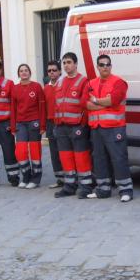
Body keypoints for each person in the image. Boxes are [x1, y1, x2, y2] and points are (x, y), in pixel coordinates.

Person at [85, 54, 133, 202]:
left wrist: (96, 101)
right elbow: (85, 103)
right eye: (101, 64)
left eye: (107, 64)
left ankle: (126, 190)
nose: (105, 67)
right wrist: (103, 102)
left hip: (114, 128)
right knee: (99, 159)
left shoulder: (119, 82)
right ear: (97, 67)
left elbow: (114, 100)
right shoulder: (91, 83)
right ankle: (102, 190)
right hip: (96, 128)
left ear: (111, 66)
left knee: (118, 158)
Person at [53, 52, 93, 199]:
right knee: (66, 157)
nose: (66, 65)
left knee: (81, 157)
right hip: (61, 126)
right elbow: (56, 105)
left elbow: (86, 105)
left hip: (77, 126)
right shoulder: (59, 82)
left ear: (76, 64)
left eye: (69, 62)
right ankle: (69, 186)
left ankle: (86, 186)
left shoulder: (84, 81)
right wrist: (56, 125)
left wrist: (82, 125)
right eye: (64, 63)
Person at [10, 63, 46, 189]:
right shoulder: (14, 88)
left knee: (35, 151)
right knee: (21, 151)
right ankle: (25, 176)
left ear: (30, 73)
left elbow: (42, 107)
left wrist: (42, 125)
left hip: (34, 122)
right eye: (21, 71)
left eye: (26, 70)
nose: (24, 72)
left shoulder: (36, 87)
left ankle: (36, 178)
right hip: (20, 123)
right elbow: (13, 108)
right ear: (18, 74)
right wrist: (13, 126)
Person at [43, 60, 64, 188]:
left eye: (54, 70)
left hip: (62, 122)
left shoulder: (64, 85)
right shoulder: (46, 87)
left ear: (60, 71)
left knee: (64, 151)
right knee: (54, 152)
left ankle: (70, 178)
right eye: (49, 70)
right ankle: (60, 179)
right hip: (50, 122)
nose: (52, 73)